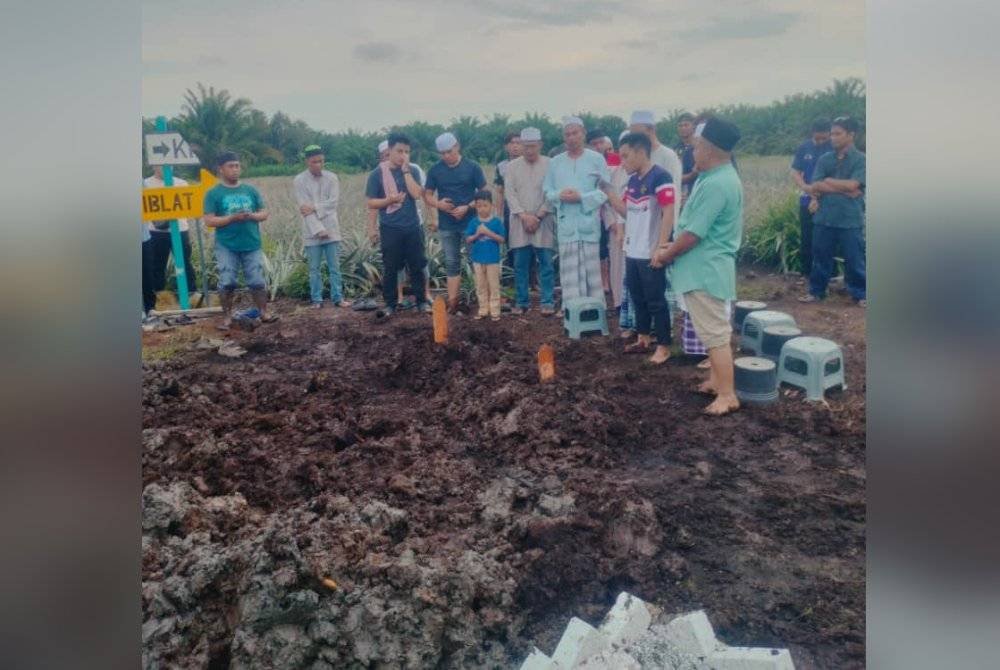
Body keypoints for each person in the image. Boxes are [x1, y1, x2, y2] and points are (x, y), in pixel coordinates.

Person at [654, 118, 744, 416]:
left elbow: (693, 234)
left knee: (716, 335)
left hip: (706, 270)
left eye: (696, 147)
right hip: (703, 267)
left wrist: (666, 255)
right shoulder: (714, 176)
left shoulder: (717, 183)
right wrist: (671, 247)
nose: (692, 152)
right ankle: (716, 382)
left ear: (709, 149)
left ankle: (728, 395)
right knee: (710, 331)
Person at [606, 133, 677, 365]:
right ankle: (643, 338)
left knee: (656, 300)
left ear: (640, 152)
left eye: (625, 156)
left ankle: (664, 346)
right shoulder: (633, 181)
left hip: (650, 250)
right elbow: (626, 211)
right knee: (638, 297)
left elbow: (668, 211)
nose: (622, 162)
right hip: (632, 250)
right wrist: (607, 191)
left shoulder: (660, 177)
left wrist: (661, 247)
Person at [203, 150, 275, 330]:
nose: (235, 169)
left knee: (257, 280)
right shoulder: (213, 194)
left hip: (251, 243)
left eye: (237, 166)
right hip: (226, 245)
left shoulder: (250, 190)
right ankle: (227, 317)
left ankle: (263, 312)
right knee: (227, 281)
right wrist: (231, 218)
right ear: (221, 169)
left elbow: (264, 213)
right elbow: (209, 220)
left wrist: (251, 215)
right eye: (231, 166)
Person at [798, 116, 866, 307]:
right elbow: (816, 185)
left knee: (855, 259)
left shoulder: (861, 160)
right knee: (820, 257)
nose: (833, 137)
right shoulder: (824, 159)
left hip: (849, 218)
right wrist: (845, 189)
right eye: (832, 134)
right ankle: (816, 292)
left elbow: (854, 184)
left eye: (838, 134)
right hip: (824, 217)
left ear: (851, 135)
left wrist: (829, 181)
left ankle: (861, 294)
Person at [543, 116, 610, 304]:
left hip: (588, 223)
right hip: (567, 225)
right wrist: (560, 195)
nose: (571, 138)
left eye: (575, 133)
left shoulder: (596, 159)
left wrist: (582, 197)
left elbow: (606, 191)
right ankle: (572, 311)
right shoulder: (555, 162)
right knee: (569, 274)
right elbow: (547, 191)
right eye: (567, 134)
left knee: (591, 274)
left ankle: (594, 310)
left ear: (583, 134)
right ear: (563, 137)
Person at [365, 132, 431, 316]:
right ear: (390, 151)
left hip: (413, 226)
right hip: (390, 228)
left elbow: (417, 194)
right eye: (399, 151)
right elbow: (371, 203)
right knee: (391, 268)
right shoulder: (377, 174)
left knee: (417, 265)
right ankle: (390, 305)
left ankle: (421, 302)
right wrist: (389, 200)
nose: (403, 155)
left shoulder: (413, 170)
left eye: (407, 152)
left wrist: (406, 172)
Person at [423, 132, 487, 313]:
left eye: (449, 152)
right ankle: (453, 303)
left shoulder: (472, 167)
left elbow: (484, 193)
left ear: (457, 146)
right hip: (447, 225)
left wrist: (468, 206)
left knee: (477, 260)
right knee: (451, 263)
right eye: (442, 153)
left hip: (471, 223)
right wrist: (439, 204)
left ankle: (484, 302)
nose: (446, 156)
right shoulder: (435, 170)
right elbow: (427, 195)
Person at [503, 127, 557, 315]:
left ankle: (547, 302)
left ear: (540, 145)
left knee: (546, 264)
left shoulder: (551, 164)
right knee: (520, 265)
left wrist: (539, 215)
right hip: (520, 221)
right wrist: (524, 216)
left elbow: (553, 192)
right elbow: (510, 194)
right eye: (526, 146)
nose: (529, 150)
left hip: (544, 219)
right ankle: (522, 301)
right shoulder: (512, 167)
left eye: (533, 146)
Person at [294, 145, 350, 308]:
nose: (318, 165)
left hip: (331, 227)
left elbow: (333, 203)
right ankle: (316, 300)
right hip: (311, 230)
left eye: (321, 161)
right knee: (314, 268)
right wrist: (319, 230)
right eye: (314, 162)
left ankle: (338, 298)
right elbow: (304, 209)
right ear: (307, 162)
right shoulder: (299, 180)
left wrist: (314, 207)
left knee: (335, 267)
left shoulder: (332, 178)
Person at [144, 165, 198, 295]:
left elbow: (189, 207)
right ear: (154, 166)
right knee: (157, 265)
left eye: (170, 165)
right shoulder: (145, 184)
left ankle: (190, 294)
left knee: (184, 262)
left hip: (180, 230)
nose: (167, 168)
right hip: (155, 232)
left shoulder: (181, 183)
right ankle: (159, 296)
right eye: (162, 165)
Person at [790, 118, 833, 276]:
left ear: (829, 134)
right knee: (807, 237)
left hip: (828, 200)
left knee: (827, 238)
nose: (820, 141)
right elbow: (795, 171)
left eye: (824, 138)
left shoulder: (834, 147)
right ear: (812, 133)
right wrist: (805, 187)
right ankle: (806, 274)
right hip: (806, 199)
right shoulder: (804, 147)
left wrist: (819, 195)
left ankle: (829, 274)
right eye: (817, 138)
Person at [465, 190, 506, 321]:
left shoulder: (496, 222)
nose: (482, 209)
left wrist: (488, 233)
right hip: (477, 260)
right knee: (480, 286)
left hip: (492, 260)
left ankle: (495, 311)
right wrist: (477, 234)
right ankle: (483, 310)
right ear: (475, 206)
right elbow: (468, 239)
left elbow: (502, 239)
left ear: (491, 205)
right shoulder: (473, 222)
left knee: (494, 286)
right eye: (479, 206)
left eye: (485, 205)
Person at [494, 131, 522, 283]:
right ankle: (512, 277)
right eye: (512, 143)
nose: (515, 146)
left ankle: (532, 280)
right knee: (511, 242)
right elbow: (499, 191)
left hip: (528, 208)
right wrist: (498, 215)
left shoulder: (530, 163)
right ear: (506, 146)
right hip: (509, 210)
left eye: (519, 143)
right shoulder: (501, 166)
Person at [675, 112, 698, 201]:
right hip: (678, 194)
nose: (683, 128)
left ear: (694, 126)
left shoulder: (699, 148)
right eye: (680, 126)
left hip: (695, 192)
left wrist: (691, 175)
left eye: (686, 125)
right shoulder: (675, 149)